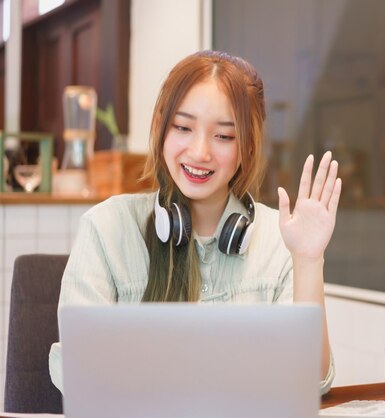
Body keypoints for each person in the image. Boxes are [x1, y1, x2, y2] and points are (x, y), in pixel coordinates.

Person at [48, 50, 341, 395]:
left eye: (224, 136)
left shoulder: (282, 239)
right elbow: (79, 373)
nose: (200, 152)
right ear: (160, 128)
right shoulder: (105, 228)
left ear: (247, 147)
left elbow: (309, 382)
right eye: (184, 127)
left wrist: (308, 260)